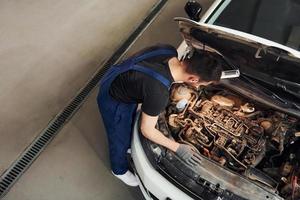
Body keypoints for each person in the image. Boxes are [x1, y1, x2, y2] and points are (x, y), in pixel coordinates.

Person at [97, 44, 222, 187]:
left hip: (120, 75)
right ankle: (119, 170)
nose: (199, 88)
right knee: (118, 135)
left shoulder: (168, 49)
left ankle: (127, 143)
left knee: (128, 122)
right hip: (113, 99)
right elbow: (147, 130)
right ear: (193, 79)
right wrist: (177, 148)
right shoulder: (158, 92)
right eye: (202, 85)